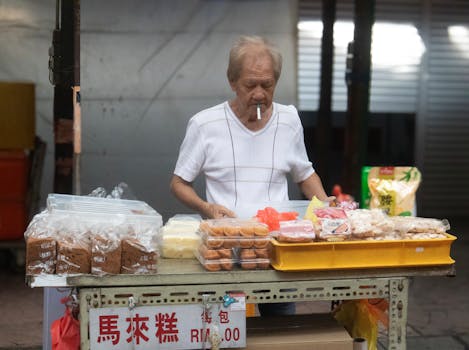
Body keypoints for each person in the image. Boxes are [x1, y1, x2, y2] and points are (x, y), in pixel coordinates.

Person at [170, 35, 333, 315]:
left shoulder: (289, 120)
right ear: (233, 82)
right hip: (226, 251)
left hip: (277, 249)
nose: (259, 94)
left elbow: (304, 174)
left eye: (267, 85)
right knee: (227, 328)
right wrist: (207, 208)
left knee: (279, 328)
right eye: (250, 85)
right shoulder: (204, 124)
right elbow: (179, 183)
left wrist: (327, 207)